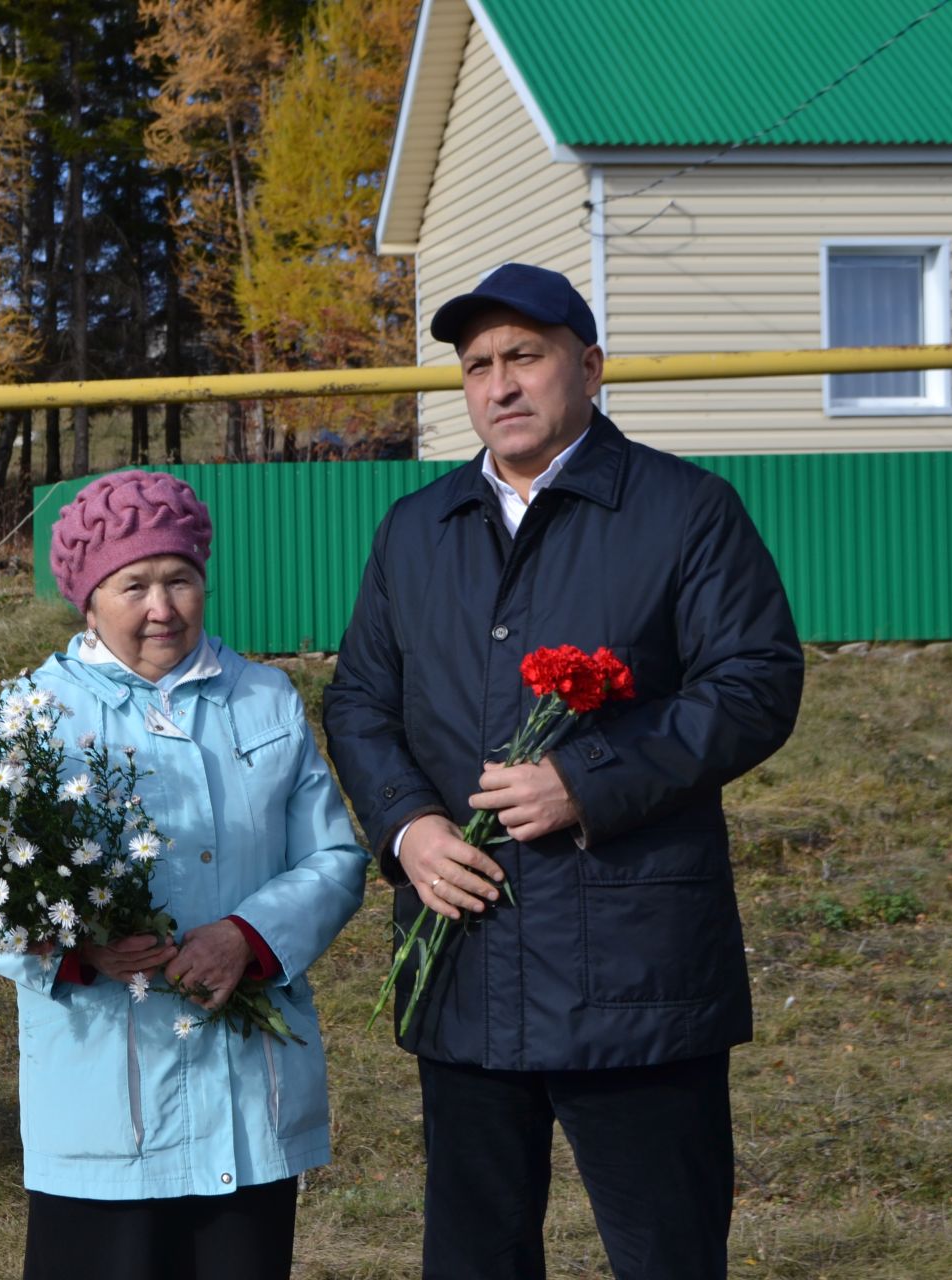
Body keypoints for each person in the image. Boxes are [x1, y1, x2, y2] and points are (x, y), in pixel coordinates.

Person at [323, 263, 805, 1280]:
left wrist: (589, 777)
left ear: (588, 366)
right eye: (477, 365)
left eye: (524, 357)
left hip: (636, 974)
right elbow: (361, 702)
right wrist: (410, 829)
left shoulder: (683, 511)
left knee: (666, 1252)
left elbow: (757, 681)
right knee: (475, 1254)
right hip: (466, 961)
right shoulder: (418, 529)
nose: (499, 384)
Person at [0, 469, 369, 1280]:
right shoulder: (33, 716)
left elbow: (334, 856)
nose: (162, 607)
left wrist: (248, 938)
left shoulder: (263, 698)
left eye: (179, 579)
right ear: (87, 599)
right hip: (101, 1110)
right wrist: (74, 948)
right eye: (134, 585)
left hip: (244, 1108)